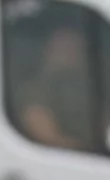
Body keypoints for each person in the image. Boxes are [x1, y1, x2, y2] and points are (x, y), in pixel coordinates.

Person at [13, 13, 99, 153]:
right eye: (66, 48)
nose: (74, 54)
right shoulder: (34, 91)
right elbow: (47, 139)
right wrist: (92, 151)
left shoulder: (92, 90)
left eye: (77, 49)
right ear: (49, 50)